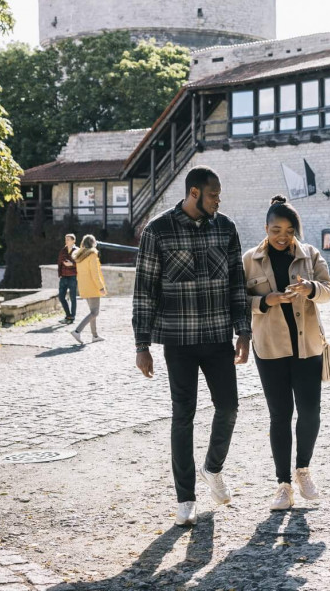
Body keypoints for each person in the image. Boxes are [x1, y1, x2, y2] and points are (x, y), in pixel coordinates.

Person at [133, 166, 250, 527]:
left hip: (218, 337)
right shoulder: (158, 230)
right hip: (178, 340)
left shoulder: (226, 228)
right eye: (214, 193)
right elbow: (144, 290)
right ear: (195, 193)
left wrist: (243, 333)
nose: (219, 199)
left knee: (229, 408)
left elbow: (237, 284)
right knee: (182, 416)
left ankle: (212, 469)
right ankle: (185, 498)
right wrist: (142, 344)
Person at [243, 195, 330, 511]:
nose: (282, 236)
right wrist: (265, 301)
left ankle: (303, 470)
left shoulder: (310, 254)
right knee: (280, 416)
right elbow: (237, 302)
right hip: (270, 349)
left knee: (310, 412)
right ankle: (283, 485)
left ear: (296, 230)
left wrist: (310, 289)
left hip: (308, 345)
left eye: (288, 230)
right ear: (266, 228)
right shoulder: (249, 260)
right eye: (275, 230)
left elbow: (329, 290)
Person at [70, 235, 106, 344]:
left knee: (92, 312)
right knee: (95, 313)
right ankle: (77, 331)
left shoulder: (80, 256)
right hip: (92, 286)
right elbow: (95, 274)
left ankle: (95, 336)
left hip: (84, 286)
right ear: (93, 243)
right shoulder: (92, 255)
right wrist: (101, 287)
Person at [57, 233, 78, 324]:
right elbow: (59, 263)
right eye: (66, 239)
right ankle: (68, 315)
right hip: (63, 277)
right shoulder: (63, 250)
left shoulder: (78, 251)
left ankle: (72, 317)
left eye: (68, 239)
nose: (66, 241)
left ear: (73, 241)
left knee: (73, 297)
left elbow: (81, 264)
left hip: (73, 277)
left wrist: (72, 264)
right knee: (61, 297)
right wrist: (60, 274)